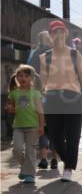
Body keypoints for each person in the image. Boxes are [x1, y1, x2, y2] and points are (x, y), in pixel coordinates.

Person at [39, 20, 82, 182]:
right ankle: (68, 161)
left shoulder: (75, 54)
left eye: (62, 32)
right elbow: (43, 82)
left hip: (73, 96)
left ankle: (68, 168)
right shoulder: (45, 57)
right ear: (51, 35)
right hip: (53, 97)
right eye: (55, 32)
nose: (59, 35)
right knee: (55, 136)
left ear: (66, 34)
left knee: (73, 134)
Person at [7, 65, 45, 185]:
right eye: (20, 75)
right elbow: (12, 109)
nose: (22, 78)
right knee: (17, 149)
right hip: (18, 125)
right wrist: (9, 108)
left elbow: (40, 111)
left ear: (31, 78)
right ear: (17, 77)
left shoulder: (35, 93)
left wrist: (41, 125)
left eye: (26, 76)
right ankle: (25, 168)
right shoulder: (13, 93)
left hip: (33, 126)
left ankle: (30, 174)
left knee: (30, 151)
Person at [27, 31, 57, 171]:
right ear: (46, 38)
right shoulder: (54, 52)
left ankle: (44, 158)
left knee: (42, 124)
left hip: (38, 92)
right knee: (56, 125)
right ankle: (55, 159)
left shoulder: (33, 53)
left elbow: (28, 71)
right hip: (54, 93)